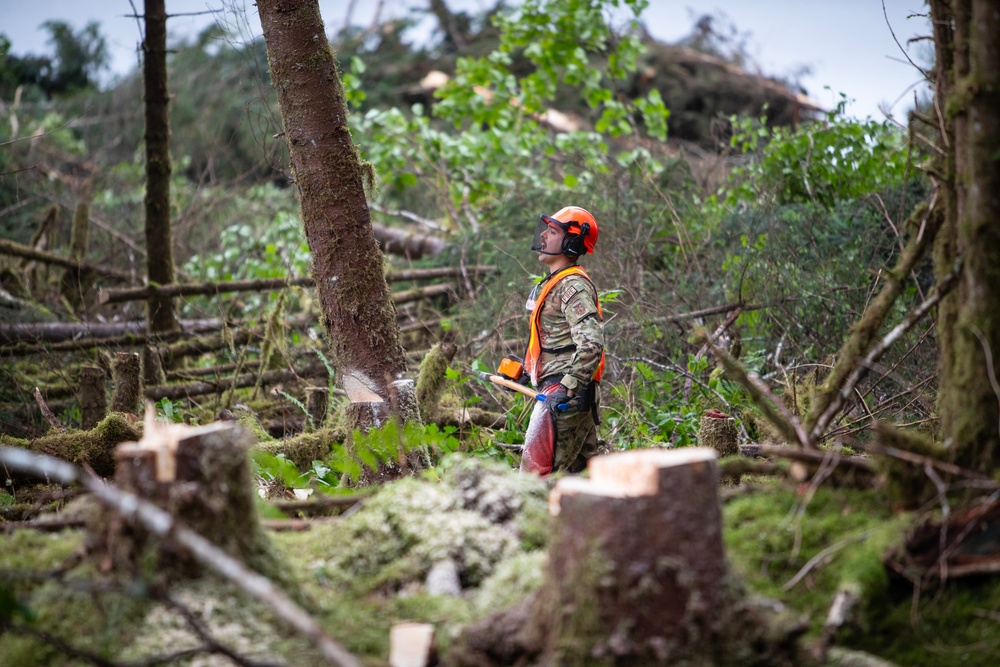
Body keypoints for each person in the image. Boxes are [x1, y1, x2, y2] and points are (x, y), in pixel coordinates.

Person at [516, 205, 606, 477]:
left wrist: (567, 386)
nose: (543, 235)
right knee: (582, 477)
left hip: (563, 394)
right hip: (564, 389)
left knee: (536, 477)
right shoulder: (556, 281)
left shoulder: (572, 285)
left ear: (572, 241)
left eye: (553, 231)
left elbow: (591, 342)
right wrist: (528, 371)